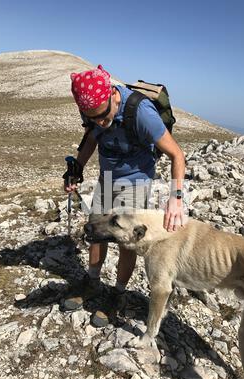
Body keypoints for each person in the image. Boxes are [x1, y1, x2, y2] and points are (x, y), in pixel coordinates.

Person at [64, 64, 186, 324]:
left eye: (104, 116)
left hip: (136, 182)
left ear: (112, 94)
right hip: (107, 178)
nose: (100, 122)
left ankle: (118, 294)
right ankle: (93, 282)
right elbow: (91, 138)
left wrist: (176, 198)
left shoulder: (140, 112)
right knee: (95, 229)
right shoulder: (94, 112)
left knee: (125, 241)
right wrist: (77, 169)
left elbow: (177, 154)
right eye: (93, 117)